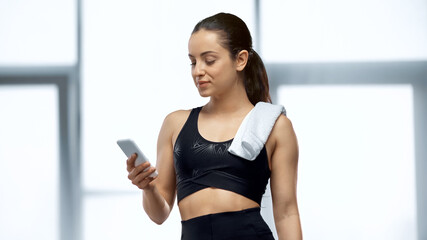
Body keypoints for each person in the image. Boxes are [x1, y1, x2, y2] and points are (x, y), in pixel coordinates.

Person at [126, 12, 302, 239]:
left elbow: (287, 213)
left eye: (209, 60)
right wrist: (148, 187)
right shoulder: (175, 124)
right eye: (193, 61)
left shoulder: (274, 126)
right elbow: (159, 214)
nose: (198, 71)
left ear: (240, 60)